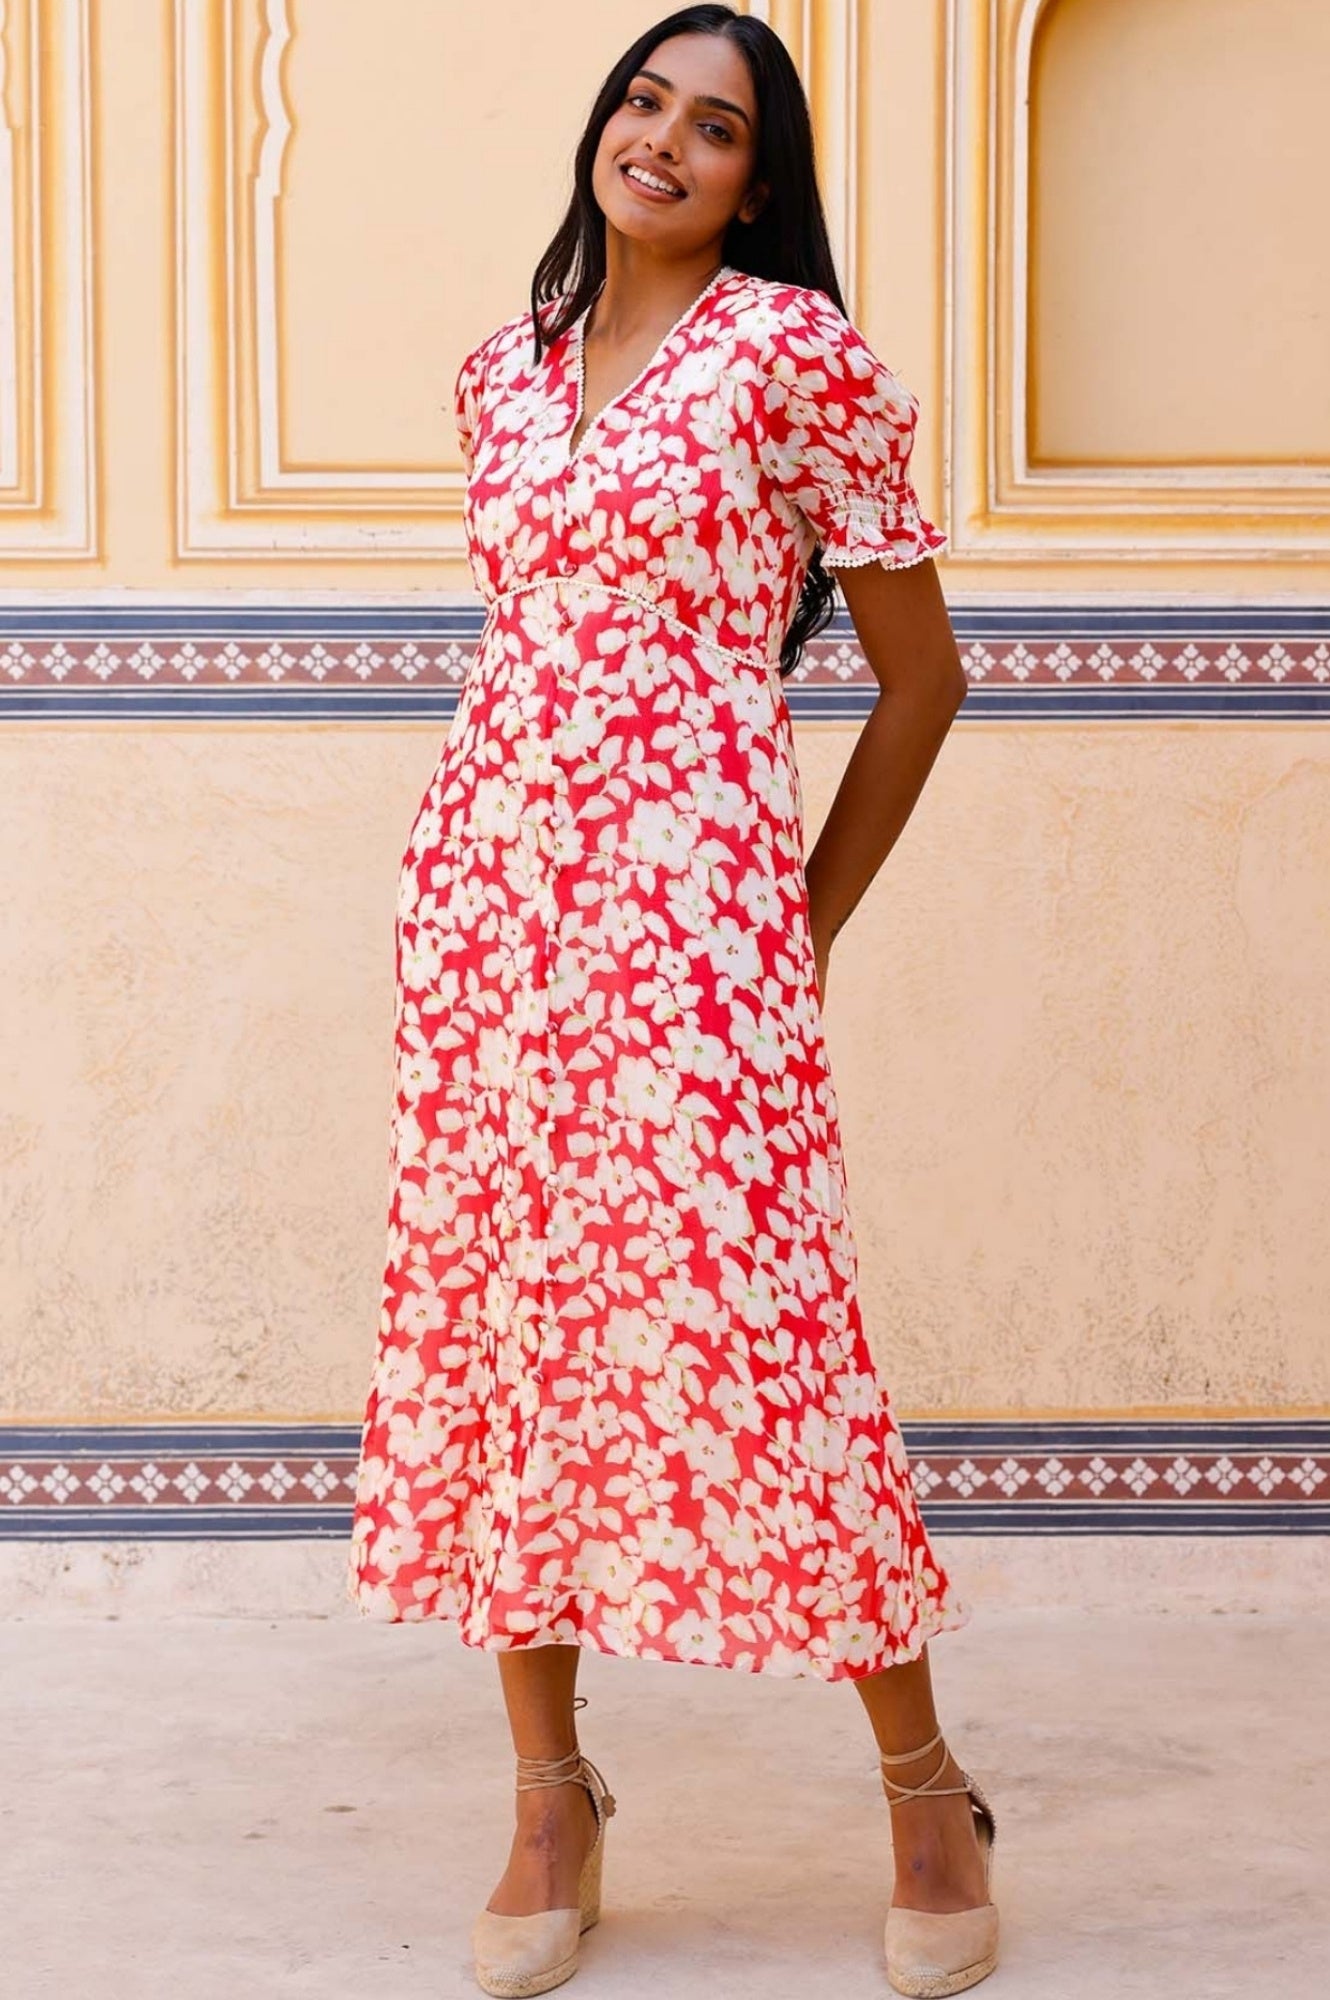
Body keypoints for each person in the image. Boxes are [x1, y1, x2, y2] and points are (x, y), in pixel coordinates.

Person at [347, 7, 997, 1994]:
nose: (663, 138)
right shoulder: (498, 372)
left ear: (753, 180)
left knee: (770, 1337)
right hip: (487, 924)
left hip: (696, 937)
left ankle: (922, 1789)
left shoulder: (794, 359)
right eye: (643, 99)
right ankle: (548, 1790)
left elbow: (920, 680)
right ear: (600, 126)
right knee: (500, 1323)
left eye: (712, 126)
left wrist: (787, 931)